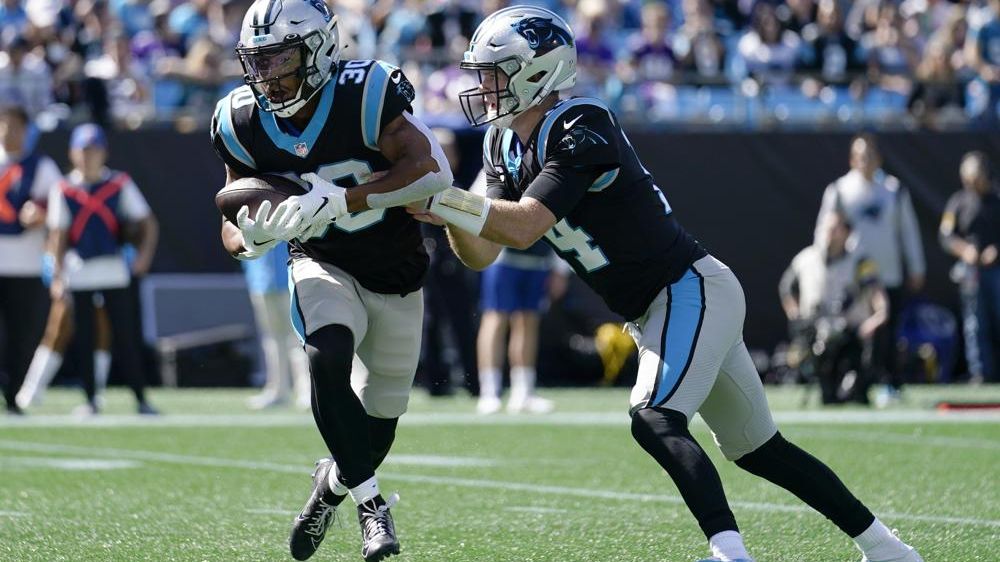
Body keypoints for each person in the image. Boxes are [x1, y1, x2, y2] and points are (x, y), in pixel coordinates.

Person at [410, 6, 923, 562]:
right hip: (663, 306)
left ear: (538, 70)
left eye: (495, 72)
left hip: (689, 288)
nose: (483, 87)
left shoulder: (580, 124)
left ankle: (729, 553)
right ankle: (887, 548)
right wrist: (449, 217)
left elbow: (529, 222)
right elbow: (484, 251)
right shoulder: (500, 145)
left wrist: (446, 199)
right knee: (760, 449)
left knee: (654, 415)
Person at [211, 1, 453, 560]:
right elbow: (230, 217)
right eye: (257, 62)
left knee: (381, 422)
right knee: (326, 356)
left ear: (318, 49)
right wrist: (253, 239)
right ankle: (372, 505)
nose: (266, 75)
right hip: (321, 261)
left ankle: (332, 487)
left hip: (396, 268)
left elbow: (433, 169)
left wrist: (343, 199)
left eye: (279, 59)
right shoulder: (241, 119)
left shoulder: (364, 92)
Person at [47, 123, 159, 416]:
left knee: (126, 337)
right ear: (72, 153)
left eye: (94, 150)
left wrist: (143, 257)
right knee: (84, 339)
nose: (88, 156)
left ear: (104, 152)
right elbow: (58, 235)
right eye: (83, 150)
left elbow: (148, 222)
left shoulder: (119, 183)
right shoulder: (64, 188)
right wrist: (57, 275)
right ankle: (91, 399)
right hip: (80, 272)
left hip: (115, 270)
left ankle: (141, 399)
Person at [813, 134, 925, 404]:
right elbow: (823, 229)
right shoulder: (839, 189)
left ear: (879, 159)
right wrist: (822, 263)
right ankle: (857, 384)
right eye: (861, 156)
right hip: (853, 277)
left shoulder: (893, 189)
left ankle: (892, 384)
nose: (866, 161)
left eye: (871, 156)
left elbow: (907, 231)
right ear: (852, 159)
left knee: (889, 329)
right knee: (856, 333)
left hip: (887, 273)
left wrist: (916, 266)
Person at [475, 165, 560, 414]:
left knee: (528, 321)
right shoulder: (497, 161)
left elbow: (561, 216)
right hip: (503, 259)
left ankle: (523, 393)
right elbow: (477, 201)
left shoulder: (550, 162)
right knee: (496, 318)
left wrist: (559, 269)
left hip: (538, 258)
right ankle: (489, 392)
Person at [780, 211, 888, 404]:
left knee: (855, 392)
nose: (829, 233)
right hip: (816, 331)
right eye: (826, 228)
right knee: (826, 389)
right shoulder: (805, 259)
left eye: (835, 228)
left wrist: (877, 317)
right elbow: (787, 288)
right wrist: (795, 315)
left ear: (847, 233)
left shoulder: (860, 261)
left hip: (850, 330)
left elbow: (876, 292)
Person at [0, 105, 62, 415]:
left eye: (15, 126)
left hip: (25, 264)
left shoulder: (41, 166)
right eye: (4, 125)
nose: (8, 132)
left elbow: (60, 208)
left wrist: (41, 213)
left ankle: (14, 397)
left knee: (22, 334)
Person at [939, 151, 1000, 383]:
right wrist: (964, 249)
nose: (971, 184)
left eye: (975, 179)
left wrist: (996, 250)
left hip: (996, 270)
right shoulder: (958, 201)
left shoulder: (997, 200)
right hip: (971, 272)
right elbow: (945, 236)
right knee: (974, 324)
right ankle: (980, 373)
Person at [242, 241, 311, 410]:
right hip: (259, 281)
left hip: (291, 277)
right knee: (271, 337)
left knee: (298, 337)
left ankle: (307, 391)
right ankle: (277, 390)